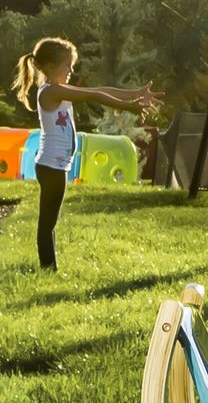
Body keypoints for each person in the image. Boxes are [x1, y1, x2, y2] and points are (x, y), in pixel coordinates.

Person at [11, 38, 157, 272]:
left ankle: (48, 267)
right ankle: (48, 269)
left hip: (55, 166)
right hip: (51, 167)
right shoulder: (51, 91)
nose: (71, 70)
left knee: (50, 222)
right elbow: (95, 97)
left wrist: (134, 94)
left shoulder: (58, 90)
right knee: (47, 223)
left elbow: (98, 91)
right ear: (49, 67)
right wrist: (131, 106)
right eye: (67, 65)